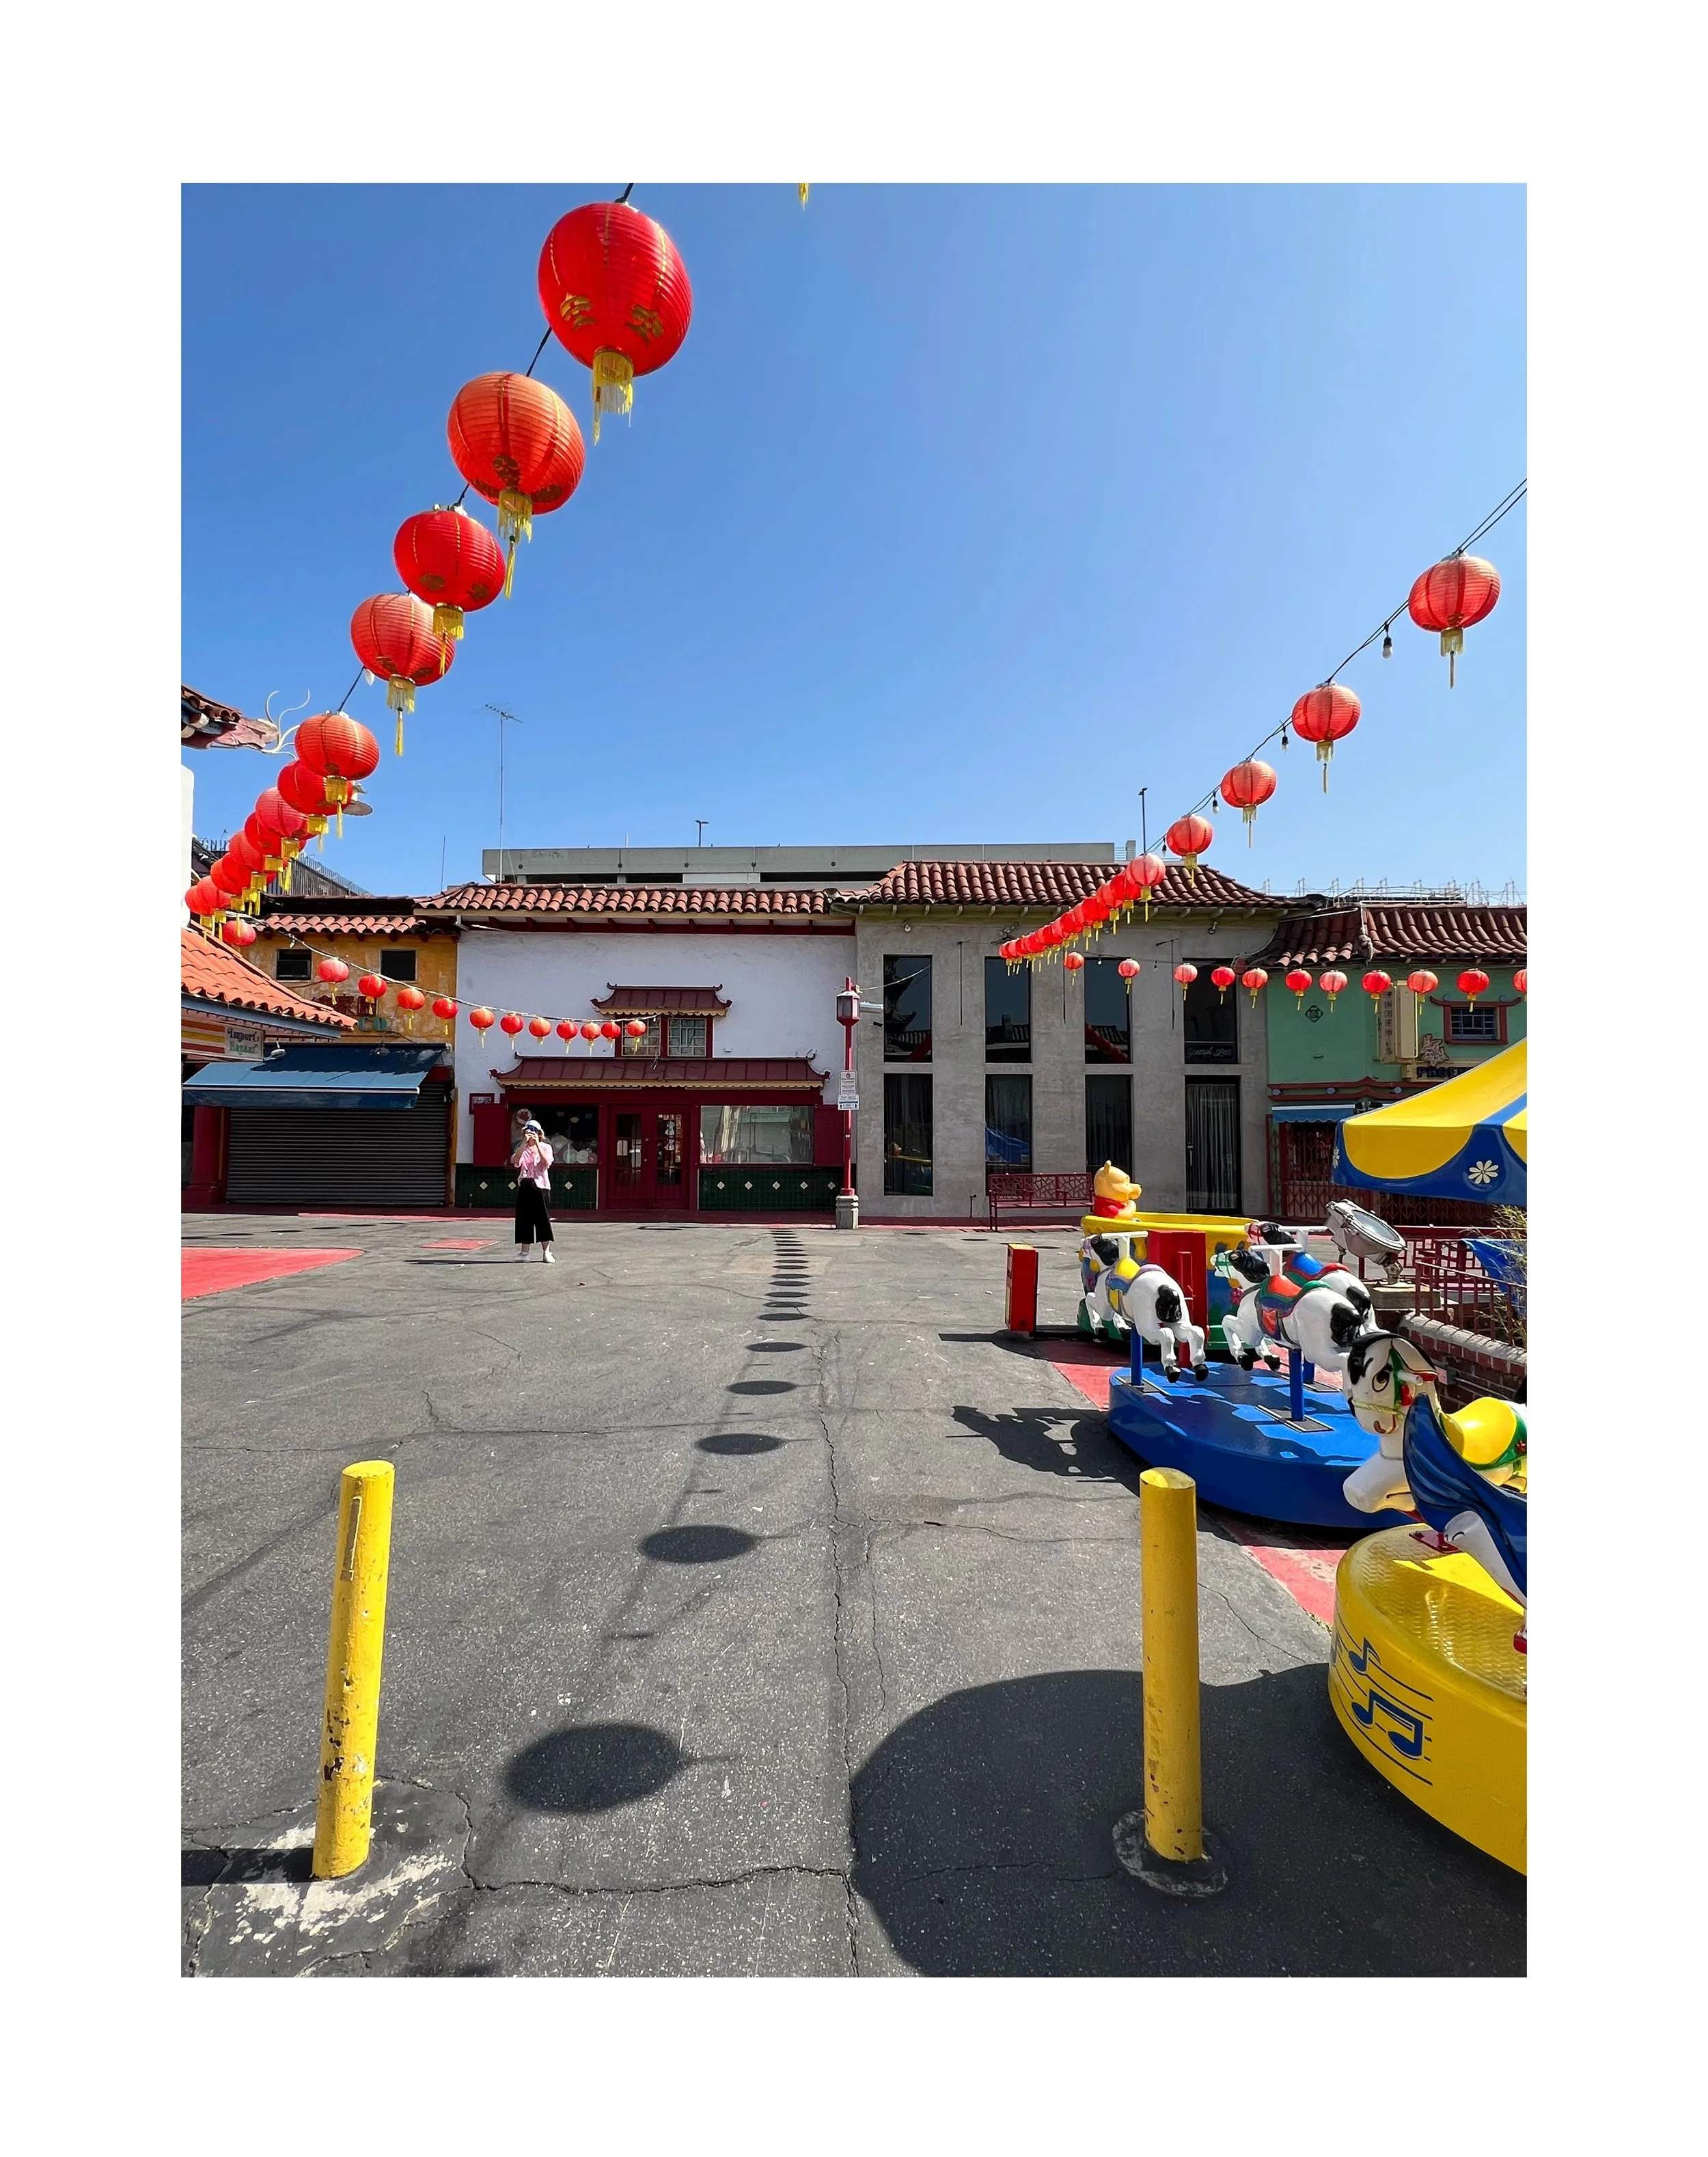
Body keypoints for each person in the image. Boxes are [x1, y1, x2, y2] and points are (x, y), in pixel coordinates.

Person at [510, 1119, 556, 1261]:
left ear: (539, 1133)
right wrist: (524, 1144)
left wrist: (537, 1144)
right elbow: (516, 1162)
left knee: (543, 1219)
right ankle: (525, 1253)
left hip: (541, 1186)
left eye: (534, 1131)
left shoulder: (546, 1147)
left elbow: (547, 1163)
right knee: (524, 1219)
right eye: (528, 1131)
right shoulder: (521, 1148)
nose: (531, 1134)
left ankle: (546, 1251)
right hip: (525, 1184)